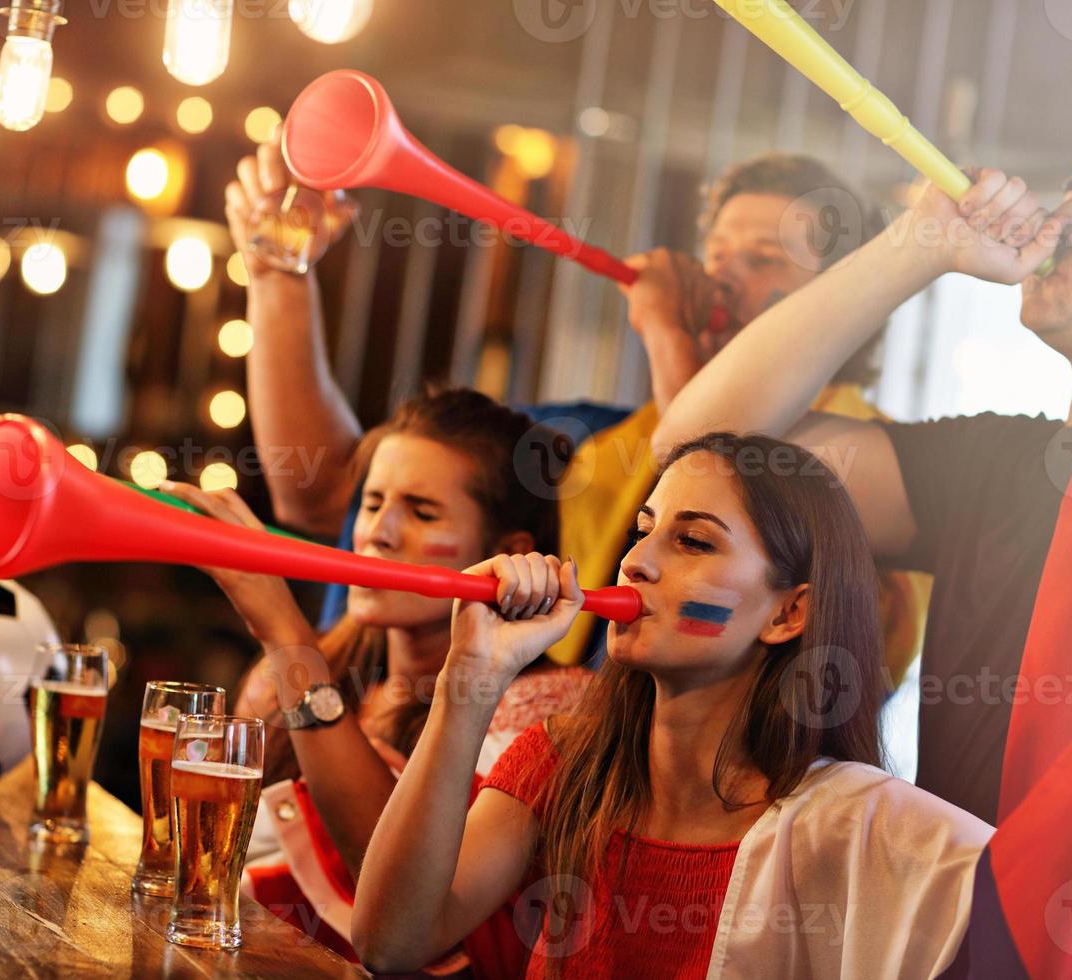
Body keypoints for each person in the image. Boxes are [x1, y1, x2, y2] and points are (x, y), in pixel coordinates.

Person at [226, 138, 928, 676]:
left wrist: (665, 334)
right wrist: (277, 274)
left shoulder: (895, 471)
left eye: (764, 260)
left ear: (847, 303)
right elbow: (322, 494)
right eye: (715, 254)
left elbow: (727, 472)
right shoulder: (601, 437)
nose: (719, 279)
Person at [351, 433, 992, 979]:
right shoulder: (560, 762)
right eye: (645, 530)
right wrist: (471, 680)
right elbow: (390, 942)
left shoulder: (852, 823)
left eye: (693, 543)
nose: (634, 563)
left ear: (788, 613)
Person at [651, 164, 1072, 826]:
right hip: (963, 910)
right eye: (1071, 197)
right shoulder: (995, 465)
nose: (1061, 226)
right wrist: (924, 241)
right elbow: (703, 446)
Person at [160, 388, 591, 977]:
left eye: (421, 512)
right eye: (372, 503)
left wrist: (287, 636)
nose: (378, 534)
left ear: (508, 554)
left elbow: (402, 908)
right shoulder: (285, 679)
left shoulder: (551, 708)